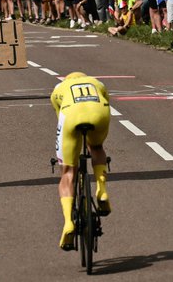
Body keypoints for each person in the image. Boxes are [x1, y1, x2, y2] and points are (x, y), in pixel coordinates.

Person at [51, 72, 111, 250]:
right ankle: (102, 190)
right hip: (99, 114)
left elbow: (60, 120)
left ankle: (68, 222)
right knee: (97, 147)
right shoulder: (97, 82)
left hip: (71, 116)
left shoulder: (58, 89)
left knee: (68, 171)